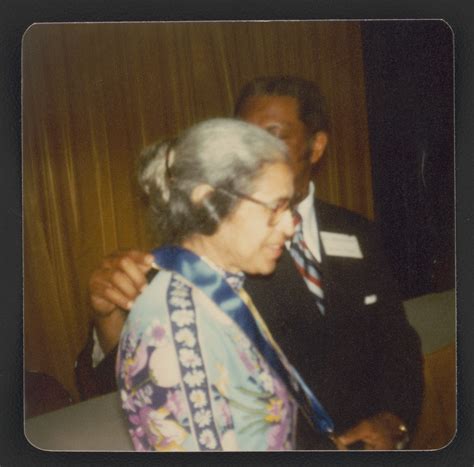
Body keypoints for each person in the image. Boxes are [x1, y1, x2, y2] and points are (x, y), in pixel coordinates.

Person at [85, 76, 424, 450]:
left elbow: (397, 341)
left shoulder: (356, 231)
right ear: (210, 198)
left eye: (273, 135)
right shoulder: (198, 270)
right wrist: (107, 318)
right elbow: (134, 378)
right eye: (243, 135)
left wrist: (394, 419)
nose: (252, 150)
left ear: (316, 145)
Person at [117, 118, 304, 450]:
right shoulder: (177, 329)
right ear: (208, 202)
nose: (290, 226)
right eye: (276, 207)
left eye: (289, 207)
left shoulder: (217, 289)